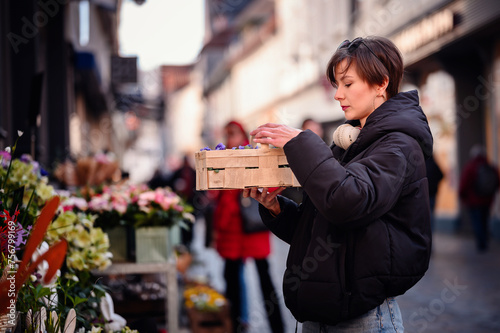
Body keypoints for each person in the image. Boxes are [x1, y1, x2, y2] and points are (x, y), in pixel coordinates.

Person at [245, 36, 433, 332]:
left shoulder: (397, 146)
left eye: (347, 84)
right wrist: (275, 207)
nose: (337, 94)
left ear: (381, 83)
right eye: (336, 85)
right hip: (321, 315)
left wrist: (302, 142)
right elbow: (319, 229)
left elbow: (348, 202)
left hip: (363, 319)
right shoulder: (351, 142)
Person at [213, 120, 285, 333]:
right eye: (227, 134)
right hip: (233, 232)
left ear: (242, 133)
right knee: (231, 280)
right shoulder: (223, 156)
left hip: (252, 229)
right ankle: (235, 325)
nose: (230, 138)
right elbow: (219, 196)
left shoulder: (254, 153)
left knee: (265, 280)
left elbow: (269, 184)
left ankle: (277, 327)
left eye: (234, 133)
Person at [459, 144, 500, 252]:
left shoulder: (470, 167)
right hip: (487, 199)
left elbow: (464, 184)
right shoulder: (490, 167)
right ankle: (485, 240)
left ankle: (481, 243)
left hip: (473, 200)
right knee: (484, 220)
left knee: (477, 222)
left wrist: (462, 196)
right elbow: (497, 182)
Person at [426, 154, 443, 231]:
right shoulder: (433, 164)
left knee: (426, 214)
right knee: (431, 214)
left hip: (425, 194)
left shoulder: (424, 165)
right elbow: (441, 175)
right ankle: (430, 232)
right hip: (432, 193)